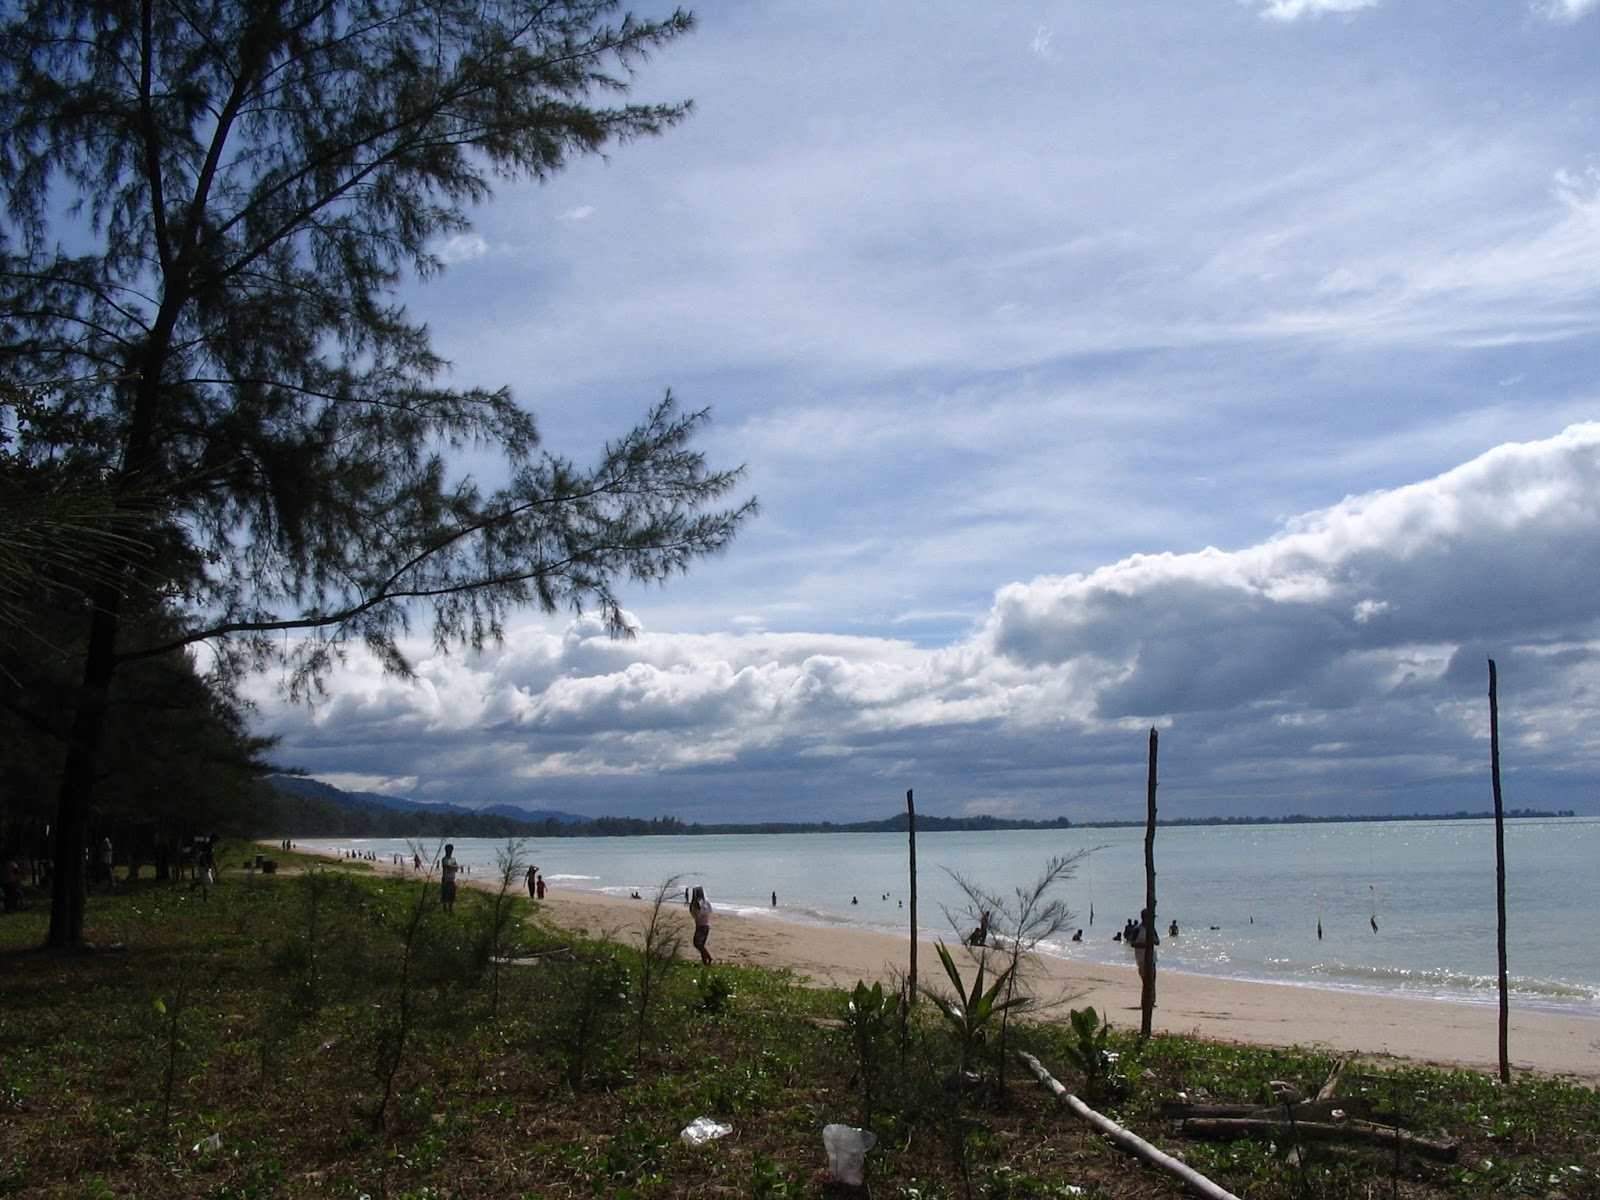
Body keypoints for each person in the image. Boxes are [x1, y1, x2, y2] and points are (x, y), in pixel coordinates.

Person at [688, 885, 714, 964]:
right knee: (701, 944)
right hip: (706, 924)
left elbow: (696, 914)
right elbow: (709, 911)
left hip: (701, 925)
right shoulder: (706, 902)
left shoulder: (697, 903)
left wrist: (697, 923)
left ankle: (709, 958)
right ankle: (705, 961)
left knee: (698, 944)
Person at [440, 844, 460, 913]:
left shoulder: (453, 859)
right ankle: (445, 909)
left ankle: (450, 909)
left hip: (452, 879)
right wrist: (454, 867)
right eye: (448, 850)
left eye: (451, 850)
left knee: (452, 895)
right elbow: (448, 867)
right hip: (446, 879)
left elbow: (457, 868)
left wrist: (453, 867)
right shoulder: (444, 859)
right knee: (445, 894)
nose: (450, 851)